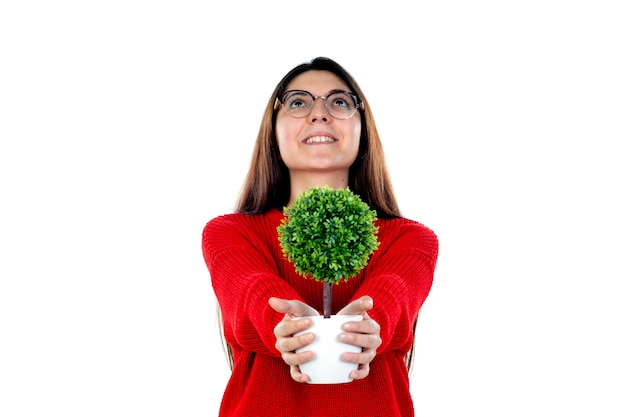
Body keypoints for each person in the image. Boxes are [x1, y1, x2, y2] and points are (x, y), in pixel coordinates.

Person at [202, 57, 438, 417]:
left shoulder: (410, 240)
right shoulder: (230, 233)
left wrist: (370, 326)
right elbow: (250, 290)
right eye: (298, 102)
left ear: (363, 129)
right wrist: (284, 326)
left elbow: (395, 292)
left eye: (339, 102)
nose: (319, 113)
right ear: (273, 131)